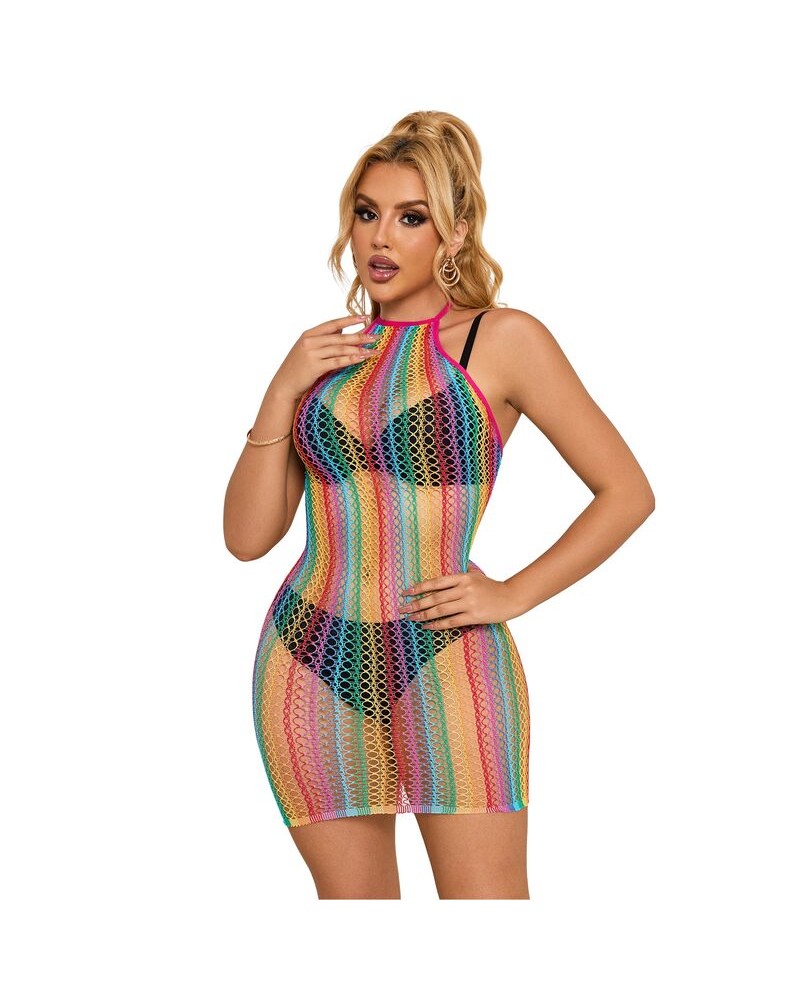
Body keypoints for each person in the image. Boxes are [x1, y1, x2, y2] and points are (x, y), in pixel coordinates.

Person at [223, 110, 655, 900]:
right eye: (367, 213)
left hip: (448, 658)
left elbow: (627, 492)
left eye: (411, 217)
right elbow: (247, 538)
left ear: (455, 234)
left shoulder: (504, 339)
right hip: (305, 658)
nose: (380, 238)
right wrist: (281, 388)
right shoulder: (326, 358)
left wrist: (514, 592)